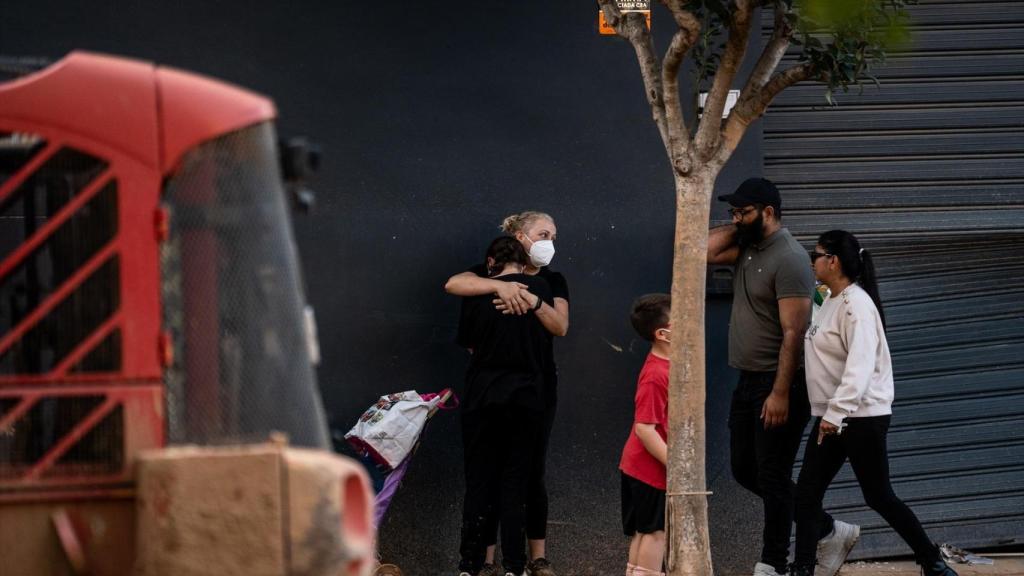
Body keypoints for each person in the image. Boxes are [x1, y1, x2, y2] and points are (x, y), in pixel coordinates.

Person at [707, 178, 859, 576]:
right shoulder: (748, 246)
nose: (736, 218)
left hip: (780, 382)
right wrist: (740, 224)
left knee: (773, 476)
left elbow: (794, 332)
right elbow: (697, 250)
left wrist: (779, 393)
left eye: (744, 211)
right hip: (747, 379)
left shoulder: (789, 258)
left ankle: (771, 563)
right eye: (734, 212)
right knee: (745, 469)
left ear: (769, 212)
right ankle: (826, 527)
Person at [789, 231, 958, 576]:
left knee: (878, 496)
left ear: (833, 261)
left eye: (816, 254)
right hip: (832, 416)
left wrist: (834, 414)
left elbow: (860, 365)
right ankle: (803, 568)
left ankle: (933, 563)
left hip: (858, 417)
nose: (811, 261)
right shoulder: (828, 297)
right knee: (806, 494)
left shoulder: (857, 306)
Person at [446, 211, 569, 576]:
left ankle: (476, 564)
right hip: (527, 393)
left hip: (492, 392)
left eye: (553, 235)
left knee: (493, 477)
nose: (549, 242)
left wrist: (523, 299)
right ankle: (510, 564)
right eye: (543, 234)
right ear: (519, 237)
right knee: (514, 479)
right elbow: (455, 282)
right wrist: (504, 288)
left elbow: (560, 325)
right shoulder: (526, 286)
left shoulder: (549, 281)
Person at [619, 294, 672, 576]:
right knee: (655, 534)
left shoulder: (665, 367)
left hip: (640, 468)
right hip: (648, 470)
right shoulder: (656, 375)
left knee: (645, 531)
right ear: (663, 334)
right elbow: (644, 428)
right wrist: (675, 466)